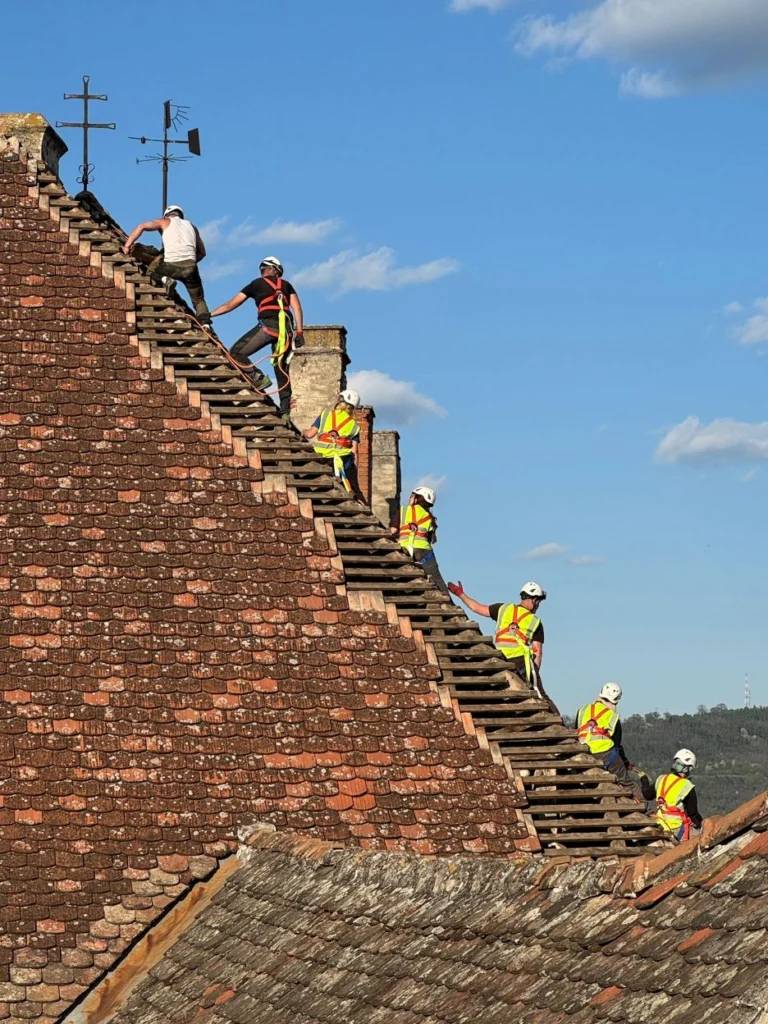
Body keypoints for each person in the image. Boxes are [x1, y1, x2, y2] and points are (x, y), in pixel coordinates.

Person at [209, 257, 304, 422]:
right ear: (277, 270)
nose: (263, 272)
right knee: (281, 370)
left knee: (236, 352)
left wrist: (209, 315)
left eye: (263, 269)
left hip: (269, 327)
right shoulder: (287, 285)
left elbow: (231, 304)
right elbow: (296, 307)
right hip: (286, 332)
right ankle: (285, 412)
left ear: (269, 270)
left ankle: (258, 378)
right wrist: (300, 332)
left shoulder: (256, 284)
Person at [446, 580, 551, 696]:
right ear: (534, 600)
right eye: (539, 602)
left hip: (500, 658)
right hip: (521, 662)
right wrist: (534, 675)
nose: (538, 606)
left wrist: (460, 594)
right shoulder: (535, 621)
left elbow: (476, 608)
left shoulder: (503, 609)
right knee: (540, 696)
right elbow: (538, 653)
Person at [123, 206, 212, 327]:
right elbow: (202, 252)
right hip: (191, 267)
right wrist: (189, 264)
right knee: (198, 299)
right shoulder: (192, 227)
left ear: (166, 215)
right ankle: (205, 323)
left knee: (152, 273)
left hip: (170, 265)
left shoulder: (163, 221)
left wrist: (127, 246)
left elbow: (141, 226)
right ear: (181, 215)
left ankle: (165, 280)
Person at [576, 682, 643, 800]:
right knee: (628, 784)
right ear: (616, 700)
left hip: (582, 752)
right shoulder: (612, 715)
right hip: (605, 754)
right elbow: (617, 745)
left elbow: (576, 731)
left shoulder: (582, 710)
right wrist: (625, 762)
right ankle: (649, 811)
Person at [391, 487, 449, 595]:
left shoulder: (403, 510)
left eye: (412, 496)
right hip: (424, 553)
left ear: (417, 499)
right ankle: (449, 604)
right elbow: (429, 539)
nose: (410, 498)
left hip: (404, 549)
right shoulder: (429, 517)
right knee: (437, 580)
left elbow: (392, 531)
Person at [304, 390, 362, 495]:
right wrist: (354, 471)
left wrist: (303, 431)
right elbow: (354, 451)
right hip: (343, 462)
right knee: (355, 492)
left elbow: (310, 434)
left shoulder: (325, 414)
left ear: (339, 401)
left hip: (321, 458)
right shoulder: (354, 425)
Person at [652, 749, 703, 841]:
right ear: (688, 768)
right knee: (700, 840)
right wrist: (702, 825)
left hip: (659, 821)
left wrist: (643, 779)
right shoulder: (687, 786)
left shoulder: (661, 779)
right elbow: (693, 814)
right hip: (676, 826)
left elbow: (647, 794)